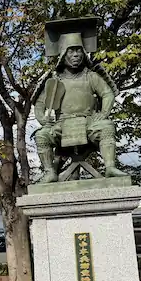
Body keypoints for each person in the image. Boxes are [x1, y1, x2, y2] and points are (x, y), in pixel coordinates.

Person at [32, 18, 126, 182]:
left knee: (107, 127)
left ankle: (110, 167)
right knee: (42, 136)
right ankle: (49, 172)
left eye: (78, 51)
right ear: (63, 54)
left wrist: (103, 114)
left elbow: (108, 94)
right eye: (71, 51)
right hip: (61, 124)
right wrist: (43, 119)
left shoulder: (91, 76)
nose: (75, 55)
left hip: (89, 121)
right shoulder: (55, 80)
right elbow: (40, 103)